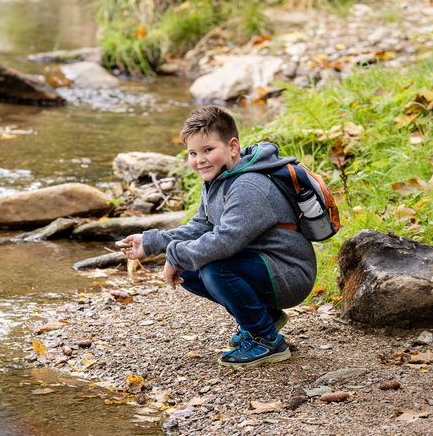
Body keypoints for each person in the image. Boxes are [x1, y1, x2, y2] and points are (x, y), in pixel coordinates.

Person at [120, 106, 317, 367]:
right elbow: (201, 226)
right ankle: (265, 317)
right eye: (193, 153)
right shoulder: (219, 178)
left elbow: (225, 241)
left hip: (290, 273)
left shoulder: (248, 186)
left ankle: (266, 339)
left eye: (208, 150)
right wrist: (151, 242)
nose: (199, 160)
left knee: (215, 269)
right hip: (264, 264)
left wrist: (175, 255)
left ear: (233, 147)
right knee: (189, 270)